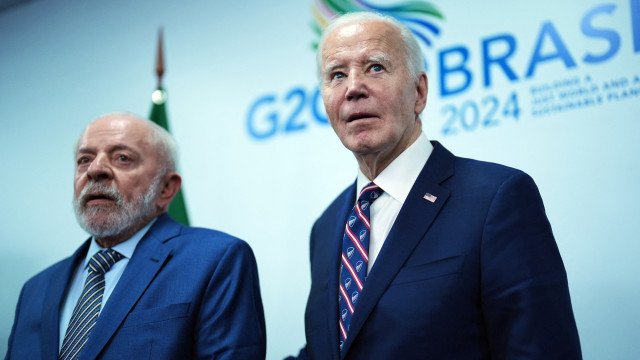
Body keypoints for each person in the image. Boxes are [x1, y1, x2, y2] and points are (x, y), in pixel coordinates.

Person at [291, 12, 582, 359]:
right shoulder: (325, 228)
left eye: (375, 68)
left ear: (419, 92)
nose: (353, 88)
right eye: (337, 75)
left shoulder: (496, 199)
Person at [5, 113, 266, 359]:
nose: (95, 170)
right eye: (84, 159)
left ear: (166, 188)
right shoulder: (35, 289)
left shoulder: (215, 260)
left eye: (122, 158)